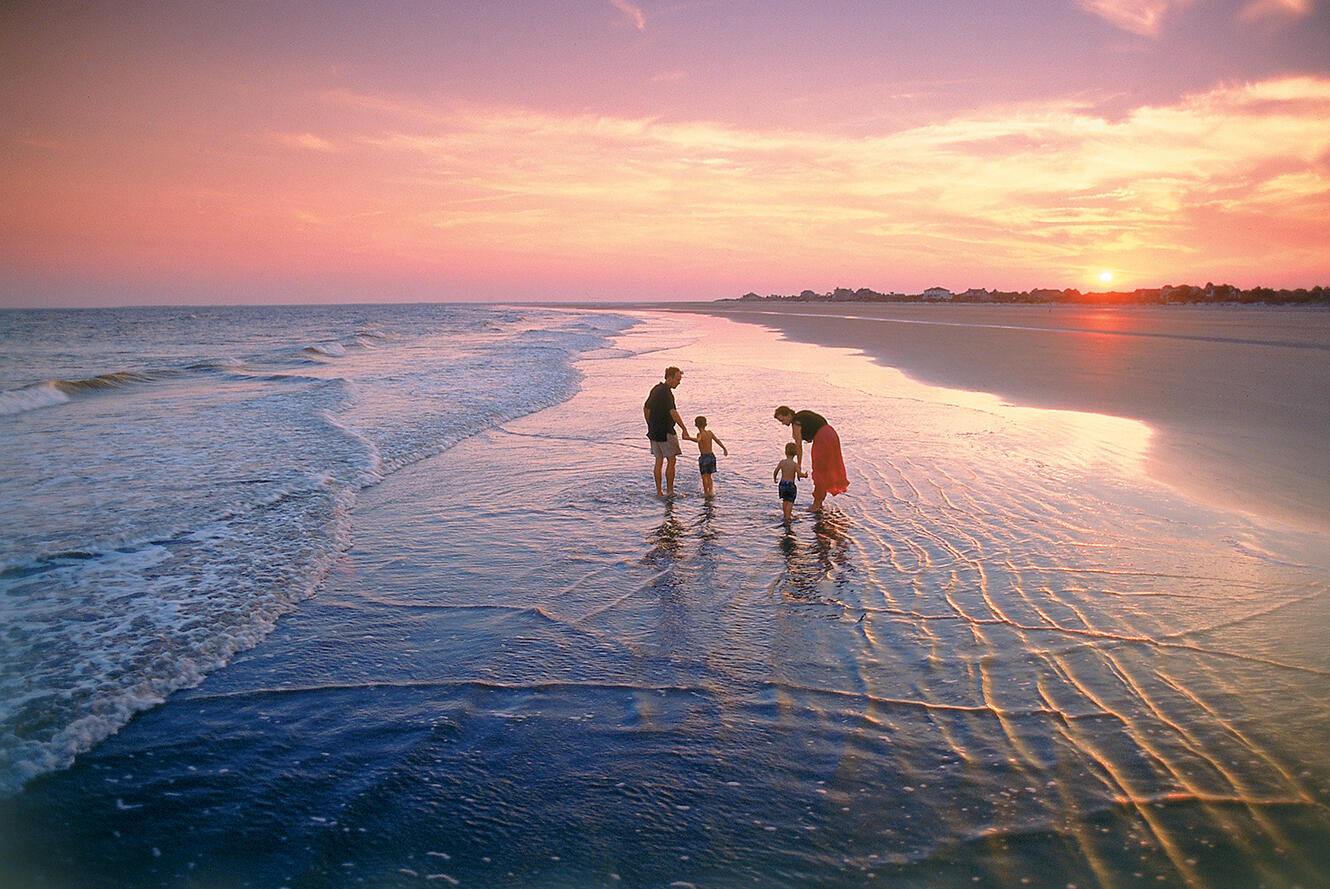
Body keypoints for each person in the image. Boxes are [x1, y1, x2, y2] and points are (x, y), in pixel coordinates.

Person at [772, 405, 849, 510]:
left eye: (783, 419)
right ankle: (819, 502)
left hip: (823, 439)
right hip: (831, 434)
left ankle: (816, 504)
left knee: (819, 471)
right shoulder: (801, 415)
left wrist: (798, 466)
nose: (783, 423)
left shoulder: (796, 423)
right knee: (826, 469)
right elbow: (817, 424)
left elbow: (798, 446)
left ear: (789, 415)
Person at [644, 366, 691, 497]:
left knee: (659, 461)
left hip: (654, 432)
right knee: (671, 460)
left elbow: (646, 408)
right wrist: (684, 428)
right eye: (677, 379)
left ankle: (659, 492)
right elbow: (673, 412)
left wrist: (650, 425)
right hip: (666, 432)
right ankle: (670, 491)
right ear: (669, 378)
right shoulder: (666, 393)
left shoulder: (655, 389)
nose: (679, 382)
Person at [691, 415, 729, 499]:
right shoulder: (710, 433)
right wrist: (724, 449)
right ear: (706, 424)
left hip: (704, 457)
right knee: (709, 476)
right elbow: (717, 440)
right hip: (712, 456)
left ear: (696, 425)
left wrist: (688, 438)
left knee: (704, 476)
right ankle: (711, 492)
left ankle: (706, 493)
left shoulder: (699, 434)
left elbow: (698, 440)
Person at [773, 441, 799, 520]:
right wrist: (805, 475)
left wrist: (775, 478)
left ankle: (785, 514)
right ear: (795, 453)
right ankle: (788, 517)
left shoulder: (782, 462)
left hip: (782, 484)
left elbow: (775, 471)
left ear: (785, 452)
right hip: (790, 484)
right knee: (790, 500)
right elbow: (799, 474)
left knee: (785, 500)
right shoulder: (794, 464)